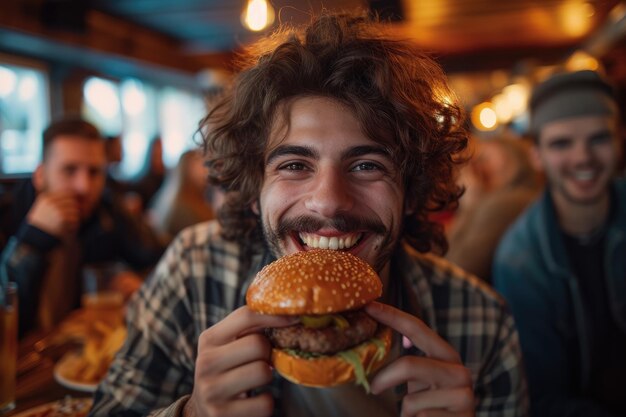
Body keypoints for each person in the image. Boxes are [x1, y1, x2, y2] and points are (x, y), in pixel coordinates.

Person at [91, 14, 528, 417]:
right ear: (254, 187)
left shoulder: (481, 320)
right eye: (295, 165)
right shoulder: (194, 270)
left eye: (367, 166)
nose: (328, 202)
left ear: (410, 192)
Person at [493, 70, 626, 416]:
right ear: (536, 155)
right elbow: (543, 398)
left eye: (599, 139)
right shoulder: (519, 259)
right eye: (561, 143)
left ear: (620, 140)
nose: (583, 157)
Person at [0, 117, 166, 337]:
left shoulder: (106, 213)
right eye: (69, 170)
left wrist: (137, 281)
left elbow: (162, 256)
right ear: (40, 176)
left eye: (94, 172)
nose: (84, 186)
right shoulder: (5, 216)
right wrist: (30, 242)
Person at [446, 136, 541, 282]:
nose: (476, 169)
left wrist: (469, 205)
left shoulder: (507, 203)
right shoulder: (527, 198)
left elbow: (457, 265)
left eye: (485, 159)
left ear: (513, 161)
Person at [148, 149, 215, 242]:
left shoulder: (169, 197)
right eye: (203, 165)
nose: (207, 171)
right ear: (188, 169)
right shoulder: (183, 209)